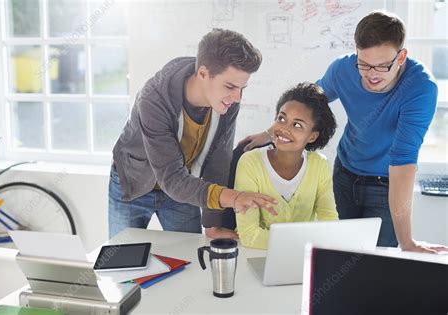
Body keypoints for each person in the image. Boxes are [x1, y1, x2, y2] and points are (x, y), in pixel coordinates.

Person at [240, 11, 447, 253]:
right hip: (345, 174)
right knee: (337, 254)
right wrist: (270, 133)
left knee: (376, 262)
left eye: (382, 66)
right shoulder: (343, 69)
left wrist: (407, 243)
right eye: (364, 64)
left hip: (386, 185)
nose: (371, 74)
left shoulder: (420, 89)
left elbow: (402, 160)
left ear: (401, 57)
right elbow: (306, 105)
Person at [109, 28, 278, 240]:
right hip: (134, 182)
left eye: (242, 88)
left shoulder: (228, 100)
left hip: (184, 184)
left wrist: (212, 223)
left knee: (189, 259)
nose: (237, 97)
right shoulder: (153, 99)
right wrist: (233, 198)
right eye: (230, 86)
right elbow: (170, 178)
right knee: (121, 261)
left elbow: (219, 160)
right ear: (203, 74)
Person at [235, 83, 339, 249]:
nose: (283, 129)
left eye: (297, 125)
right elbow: (249, 235)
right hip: (255, 255)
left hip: (300, 260)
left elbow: (330, 222)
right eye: (281, 118)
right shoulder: (250, 162)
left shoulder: (319, 164)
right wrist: (306, 243)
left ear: (312, 136)